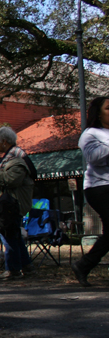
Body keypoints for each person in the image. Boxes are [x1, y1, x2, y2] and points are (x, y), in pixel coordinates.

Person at [0, 126, 34, 280]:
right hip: (8, 205)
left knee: (8, 236)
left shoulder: (16, 159)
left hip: (12, 205)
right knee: (14, 235)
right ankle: (26, 265)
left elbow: (11, 180)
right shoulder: (10, 158)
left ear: (5, 142)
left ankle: (13, 269)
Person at [73, 96, 109, 286]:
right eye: (108, 108)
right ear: (98, 113)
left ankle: (84, 265)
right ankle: (84, 265)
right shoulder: (91, 133)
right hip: (100, 187)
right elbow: (93, 156)